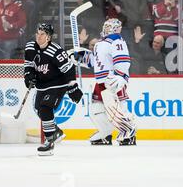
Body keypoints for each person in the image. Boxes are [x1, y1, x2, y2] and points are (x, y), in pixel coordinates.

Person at [71, 18, 137, 146]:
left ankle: (128, 132)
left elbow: (123, 62)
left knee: (117, 109)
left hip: (111, 80)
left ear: (116, 29)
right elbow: (95, 62)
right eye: (105, 26)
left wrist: (120, 77)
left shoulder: (117, 41)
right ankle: (105, 133)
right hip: (100, 82)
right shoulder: (100, 43)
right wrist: (81, 57)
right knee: (96, 110)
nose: (106, 28)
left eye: (109, 26)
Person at [24, 24, 83, 156]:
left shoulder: (56, 51)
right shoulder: (30, 47)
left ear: (48, 37)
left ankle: (49, 142)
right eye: (37, 33)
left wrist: (73, 87)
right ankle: (55, 131)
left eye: (42, 34)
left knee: (45, 108)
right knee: (39, 109)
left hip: (58, 84)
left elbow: (69, 69)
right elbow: (28, 65)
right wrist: (29, 76)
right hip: (42, 85)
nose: (38, 36)